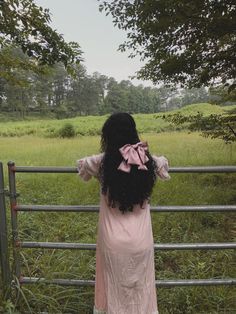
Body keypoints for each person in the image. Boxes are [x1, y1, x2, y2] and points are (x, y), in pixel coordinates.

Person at [77, 113, 170, 314]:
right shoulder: (148, 161)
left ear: (108, 136)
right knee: (141, 290)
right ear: (133, 133)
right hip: (142, 240)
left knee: (114, 291)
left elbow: (82, 166)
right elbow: (164, 163)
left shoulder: (102, 162)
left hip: (112, 241)